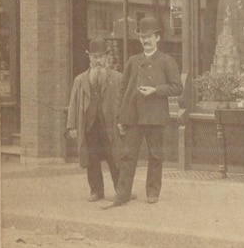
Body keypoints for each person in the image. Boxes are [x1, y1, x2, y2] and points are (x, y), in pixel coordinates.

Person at [103, 17, 183, 208]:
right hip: (134, 116)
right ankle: (122, 194)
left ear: (157, 38)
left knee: (155, 156)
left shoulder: (166, 61)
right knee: (128, 156)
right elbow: (123, 89)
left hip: (155, 116)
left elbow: (178, 87)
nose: (145, 40)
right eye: (142, 37)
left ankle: (153, 192)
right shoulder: (133, 61)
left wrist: (156, 90)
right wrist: (121, 117)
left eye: (149, 37)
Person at [66, 38, 123, 202]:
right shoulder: (80, 80)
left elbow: (124, 103)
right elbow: (73, 104)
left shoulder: (118, 78)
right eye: (94, 57)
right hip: (89, 127)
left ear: (106, 58)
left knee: (115, 158)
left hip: (110, 126)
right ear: (89, 58)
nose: (98, 60)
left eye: (101, 57)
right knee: (92, 160)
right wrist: (72, 126)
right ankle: (96, 191)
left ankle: (121, 190)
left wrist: (123, 122)